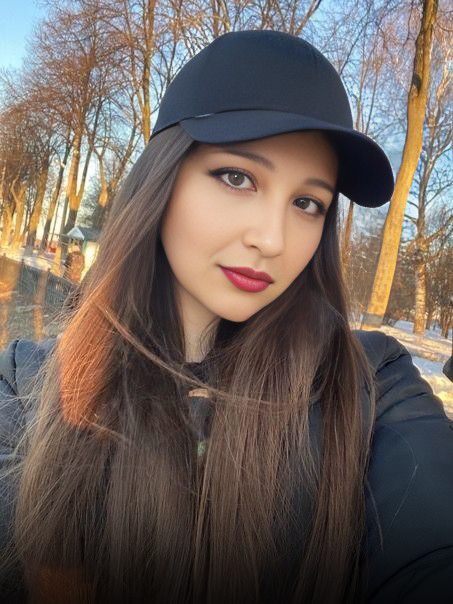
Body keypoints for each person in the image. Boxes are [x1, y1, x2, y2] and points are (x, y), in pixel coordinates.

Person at [0, 30, 452, 604]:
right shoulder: (29, 388)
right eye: (237, 177)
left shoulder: (372, 384)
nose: (272, 239)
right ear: (163, 179)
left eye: (307, 203)